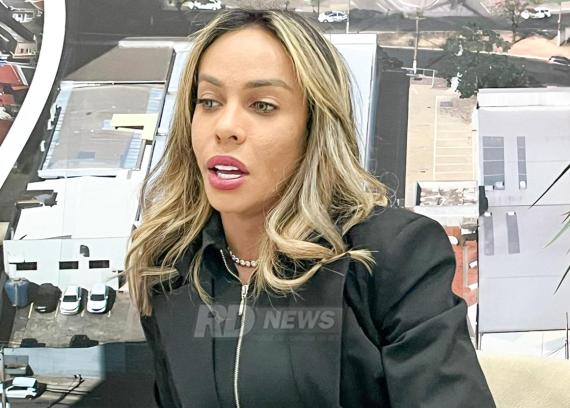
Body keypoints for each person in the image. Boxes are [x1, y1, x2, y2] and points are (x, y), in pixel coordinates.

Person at [126, 9, 496, 408]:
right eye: (209, 101)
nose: (225, 126)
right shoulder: (169, 265)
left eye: (262, 105)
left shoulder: (395, 255)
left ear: (313, 127)